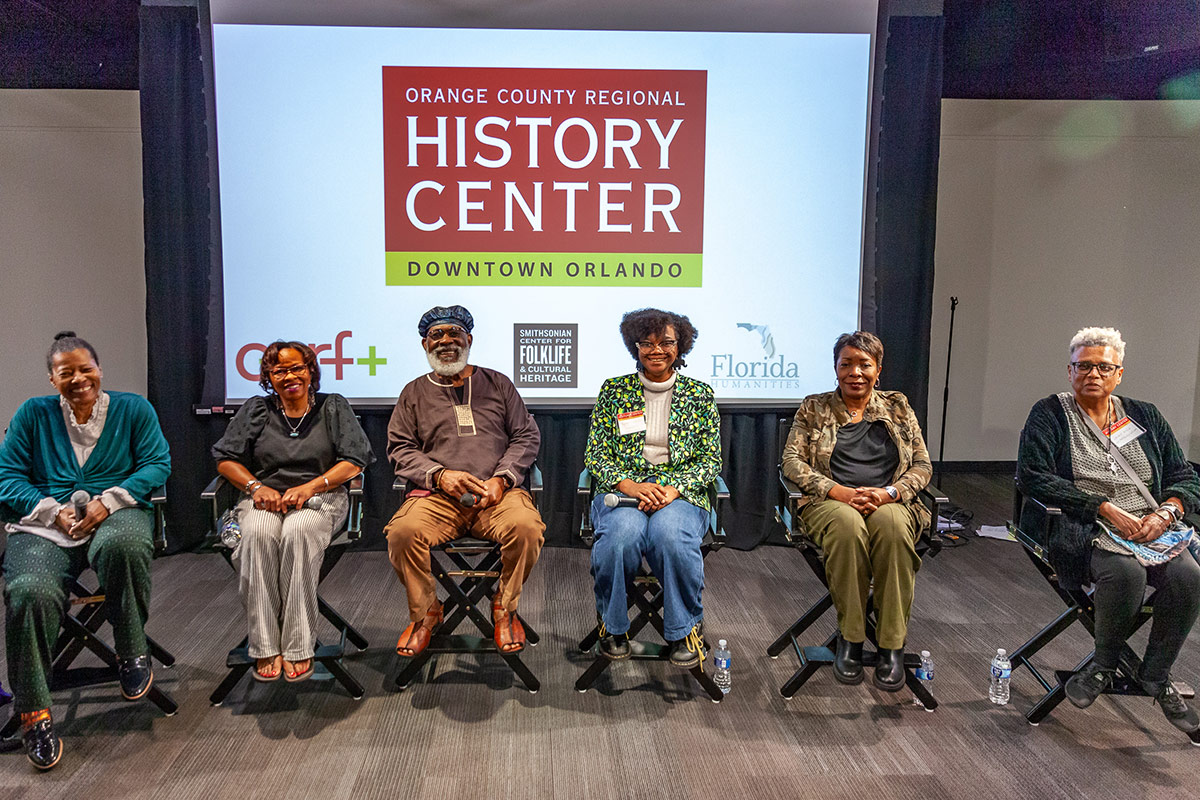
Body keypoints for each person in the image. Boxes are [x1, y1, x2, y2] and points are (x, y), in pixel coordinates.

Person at [0, 332, 170, 770]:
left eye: (85, 369)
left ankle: (132, 651)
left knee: (126, 545)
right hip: (46, 523)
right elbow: (7, 476)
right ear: (51, 379)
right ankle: (33, 712)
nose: (78, 379)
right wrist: (50, 510)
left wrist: (108, 500)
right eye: (66, 373)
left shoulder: (133, 409)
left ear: (100, 370)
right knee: (29, 591)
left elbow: (157, 463)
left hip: (114, 511)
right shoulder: (32, 415)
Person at [1018, 326, 1200, 732]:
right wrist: (1102, 506)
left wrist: (1166, 513)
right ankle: (1102, 667)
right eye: (1084, 366)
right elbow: (1033, 476)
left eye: (1104, 367)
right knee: (1125, 573)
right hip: (1084, 523)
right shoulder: (1049, 413)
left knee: (1189, 577)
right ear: (1069, 371)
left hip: (1153, 526)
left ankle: (1155, 673)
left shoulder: (1145, 415)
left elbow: (1184, 475)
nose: (1093, 374)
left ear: (1119, 374)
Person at [385, 305, 544, 657]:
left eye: (454, 334)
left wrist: (502, 480)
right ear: (424, 344)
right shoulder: (412, 392)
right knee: (402, 533)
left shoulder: (497, 383)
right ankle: (426, 612)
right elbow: (400, 448)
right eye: (437, 336)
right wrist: (441, 476)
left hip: (497, 495)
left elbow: (525, 436)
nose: (446, 342)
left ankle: (504, 606)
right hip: (437, 498)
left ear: (468, 339)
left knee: (527, 528)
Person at [212, 341, 373, 683]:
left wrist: (311, 486)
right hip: (264, 499)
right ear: (269, 377)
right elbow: (225, 459)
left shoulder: (332, 407)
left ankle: (299, 646)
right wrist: (257, 487)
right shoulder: (257, 409)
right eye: (279, 370)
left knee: (297, 533)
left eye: (296, 368)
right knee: (257, 535)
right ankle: (265, 645)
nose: (289, 376)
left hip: (321, 497)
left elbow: (355, 461)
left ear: (311, 370)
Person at [781, 331, 932, 692]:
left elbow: (923, 464)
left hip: (891, 501)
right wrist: (839, 492)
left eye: (864, 364)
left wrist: (890, 493)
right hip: (830, 503)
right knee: (848, 528)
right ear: (835, 368)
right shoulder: (814, 407)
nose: (855, 372)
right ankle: (850, 639)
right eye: (846, 363)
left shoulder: (897, 406)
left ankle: (891, 646)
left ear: (878, 369)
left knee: (893, 528)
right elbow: (791, 461)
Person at [584, 309, 721, 667]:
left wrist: (673, 489)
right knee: (620, 539)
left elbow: (710, 459)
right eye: (647, 342)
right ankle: (612, 627)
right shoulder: (614, 391)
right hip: (623, 488)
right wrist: (631, 485)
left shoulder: (699, 394)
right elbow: (596, 452)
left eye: (666, 343)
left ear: (681, 346)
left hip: (678, 493)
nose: (656, 350)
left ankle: (683, 630)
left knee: (671, 538)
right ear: (635, 346)